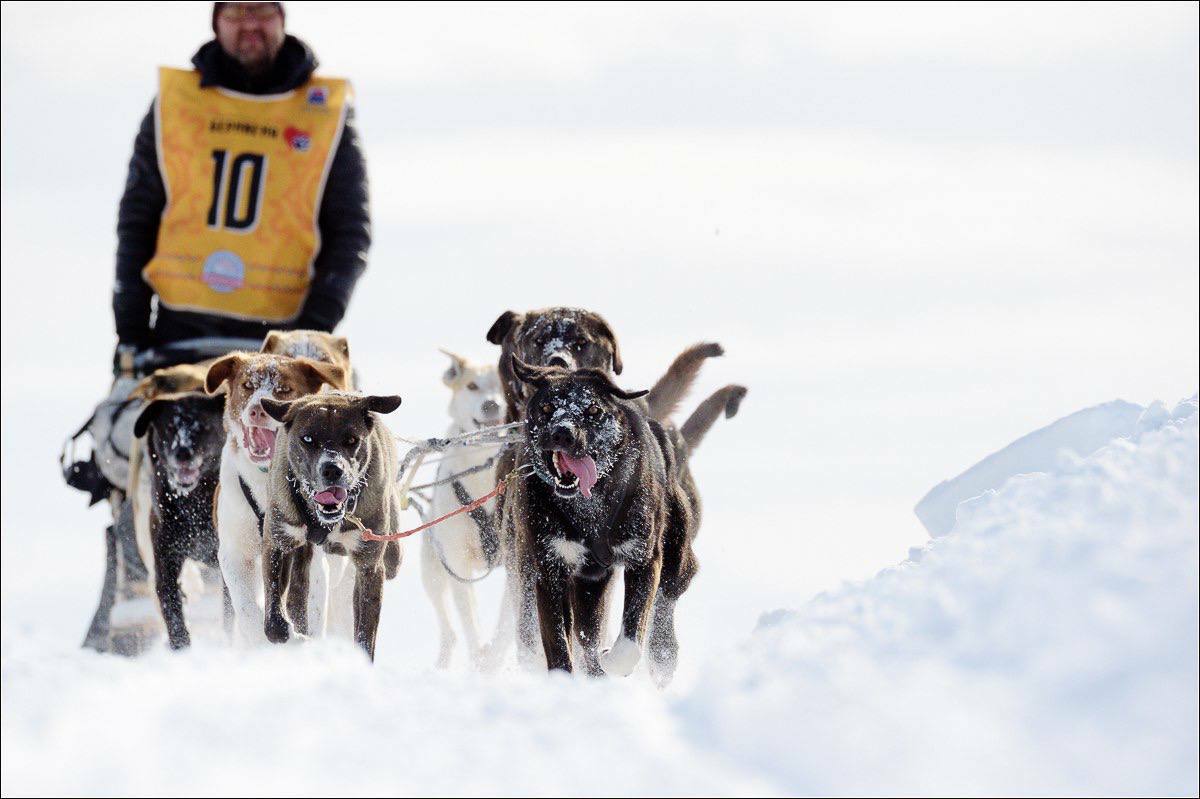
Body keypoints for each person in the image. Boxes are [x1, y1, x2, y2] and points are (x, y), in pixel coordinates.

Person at [67, 1, 371, 653]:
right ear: (217, 21)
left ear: (281, 18)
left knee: (330, 448)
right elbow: (138, 213)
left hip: (286, 342)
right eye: (238, 12)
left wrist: (311, 333)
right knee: (124, 436)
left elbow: (351, 232)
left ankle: (320, 604)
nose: (251, 25)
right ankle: (139, 581)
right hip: (178, 332)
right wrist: (131, 325)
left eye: (264, 11)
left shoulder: (322, 113)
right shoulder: (176, 106)